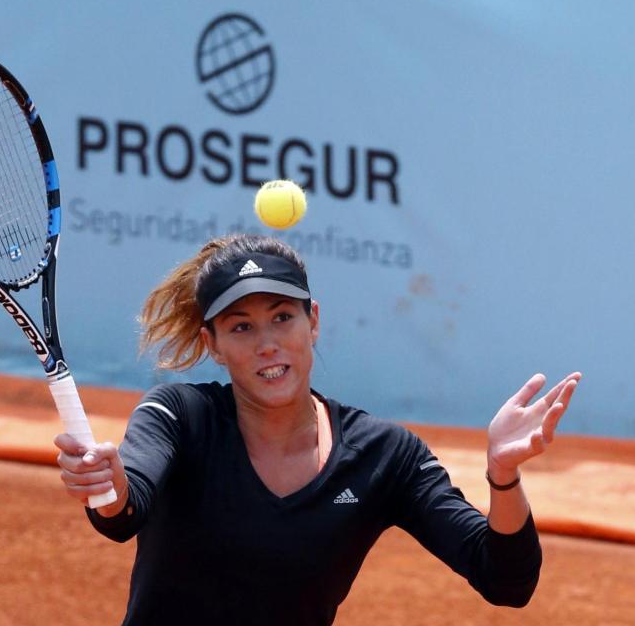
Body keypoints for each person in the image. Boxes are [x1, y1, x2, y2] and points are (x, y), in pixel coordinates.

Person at [54, 233, 581, 626]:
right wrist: (108, 484)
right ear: (213, 345)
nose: (267, 343)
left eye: (283, 317)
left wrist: (503, 476)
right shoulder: (179, 415)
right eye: (241, 327)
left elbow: (507, 580)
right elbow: (124, 513)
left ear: (315, 321)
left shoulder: (384, 455)